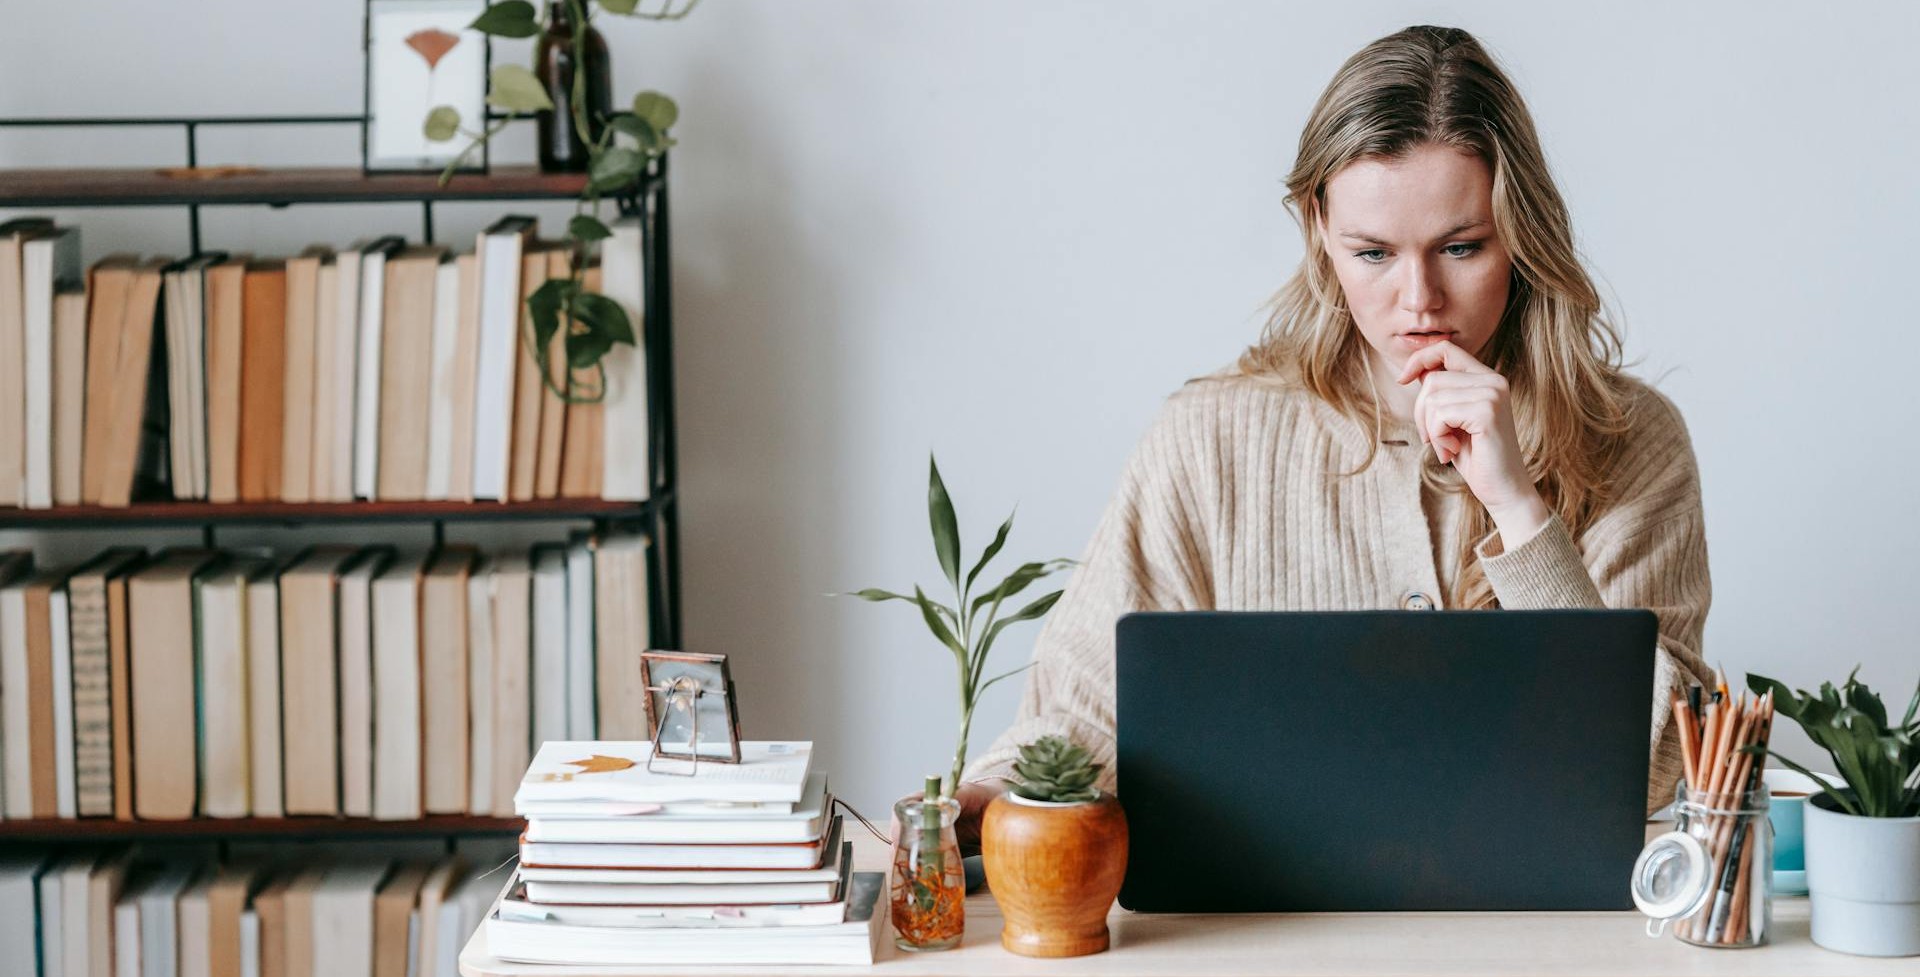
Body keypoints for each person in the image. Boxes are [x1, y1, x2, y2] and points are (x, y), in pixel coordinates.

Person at [950, 24, 1713, 854]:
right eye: (1373, 252)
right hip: (1265, 931)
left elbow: (1662, 769)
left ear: (1521, 233)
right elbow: (1084, 706)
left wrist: (1520, 510)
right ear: (1320, 228)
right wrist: (978, 804)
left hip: (1540, 935)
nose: (1418, 298)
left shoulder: (1631, 439)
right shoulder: (1210, 440)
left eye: (1461, 247)